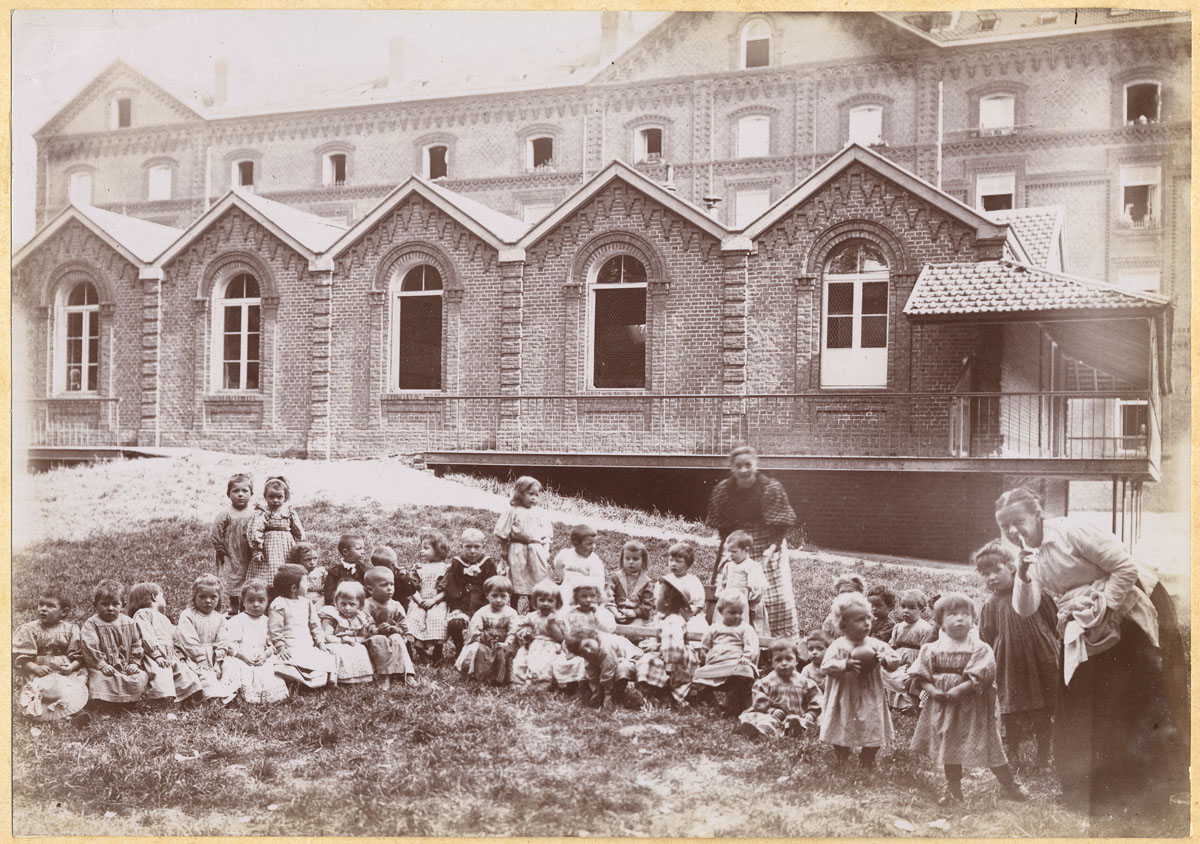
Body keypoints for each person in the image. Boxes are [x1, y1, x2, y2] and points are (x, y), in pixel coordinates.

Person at [995, 486, 1186, 816]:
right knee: (1082, 694)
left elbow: (1124, 568)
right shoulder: (1028, 557)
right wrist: (1024, 576)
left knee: (1140, 693)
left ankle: (1154, 787)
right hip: (1089, 621)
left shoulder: (1072, 531)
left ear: (1038, 515)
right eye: (1005, 526)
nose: (1013, 531)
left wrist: (1106, 609)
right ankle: (1094, 786)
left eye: (1018, 521)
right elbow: (1026, 609)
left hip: (1131, 604)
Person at [909, 592, 1028, 805]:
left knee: (989, 745)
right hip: (945, 706)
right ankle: (954, 789)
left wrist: (960, 689)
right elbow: (920, 674)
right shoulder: (932, 648)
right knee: (949, 746)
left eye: (966, 614)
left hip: (973, 707)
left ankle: (1009, 783)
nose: (960, 619)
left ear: (974, 618)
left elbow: (982, 673)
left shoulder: (979, 647)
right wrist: (933, 691)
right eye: (952, 614)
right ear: (939, 622)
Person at [973, 541, 1058, 769]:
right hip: (1010, 663)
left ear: (1012, 567)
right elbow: (986, 637)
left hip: (1040, 657)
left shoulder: (1033, 590)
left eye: (996, 570)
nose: (991, 577)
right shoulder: (991, 604)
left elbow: (1053, 621)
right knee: (1011, 707)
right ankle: (1013, 752)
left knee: (1043, 706)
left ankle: (1043, 756)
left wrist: (1050, 646)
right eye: (985, 574)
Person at [706, 445, 799, 640]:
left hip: (767, 543)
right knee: (732, 587)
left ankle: (778, 641)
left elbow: (781, 526)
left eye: (748, 465)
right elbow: (724, 529)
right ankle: (732, 635)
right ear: (732, 468)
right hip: (737, 542)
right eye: (738, 466)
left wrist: (772, 549)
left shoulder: (770, 488)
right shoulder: (723, 491)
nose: (744, 470)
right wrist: (728, 551)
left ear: (755, 465)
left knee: (773, 594)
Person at [818, 591, 900, 770]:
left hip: (870, 695)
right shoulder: (839, 645)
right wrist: (844, 665)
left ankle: (868, 757)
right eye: (859, 620)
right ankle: (841, 754)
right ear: (844, 625)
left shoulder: (875, 645)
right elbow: (826, 666)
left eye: (868, 619)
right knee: (842, 724)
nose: (866, 624)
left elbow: (896, 660)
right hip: (845, 695)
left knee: (873, 724)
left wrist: (884, 659)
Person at [13, 588, 89, 721]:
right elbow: (21, 658)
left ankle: (76, 712)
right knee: (37, 689)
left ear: (63, 612)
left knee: (74, 685)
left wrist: (71, 667)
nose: (43, 609)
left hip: (64, 671)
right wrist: (35, 667)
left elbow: (79, 655)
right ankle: (41, 711)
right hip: (40, 671)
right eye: (41, 604)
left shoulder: (71, 629)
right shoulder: (29, 629)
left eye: (50, 606)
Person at [72, 580, 149, 706]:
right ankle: (105, 704)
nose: (110, 608)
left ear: (122, 605)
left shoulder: (129, 623)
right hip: (102, 667)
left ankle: (130, 701)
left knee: (140, 677)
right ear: (95, 605)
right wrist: (101, 664)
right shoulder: (92, 624)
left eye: (115, 604)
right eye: (105, 604)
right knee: (100, 680)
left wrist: (134, 663)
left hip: (125, 666)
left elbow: (136, 644)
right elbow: (89, 646)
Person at [127, 582, 202, 703]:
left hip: (171, 654)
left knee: (185, 674)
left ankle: (190, 695)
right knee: (161, 674)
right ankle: (160, 700)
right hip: (155, 654)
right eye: (163, 596)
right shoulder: (143, 614)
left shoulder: (165, 618)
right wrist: (156, 655)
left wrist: (181, 656)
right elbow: (147, 636)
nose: (164, 600)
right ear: (155, 597)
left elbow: (175, 638)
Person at [216, 580, 290, 704]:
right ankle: (237, 693)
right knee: (234, 667)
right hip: (241, 655)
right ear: (243, 601)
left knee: (270, 670)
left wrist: (266, 654)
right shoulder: (238, 621)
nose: (256, 604)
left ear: (267, 601)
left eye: (261, 600)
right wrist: (240, 655)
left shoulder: (269, 621)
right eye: (250, 601)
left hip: (261, 656)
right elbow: (230, 642)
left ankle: (265, 695)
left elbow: (273, 643)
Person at [737, 640, 823, 739]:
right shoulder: (766, 682)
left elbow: (816, 699)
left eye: (789, 659)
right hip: (773, 715)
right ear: (771, 663)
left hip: (798, 716)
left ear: (796, 661)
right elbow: (759, 699)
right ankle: (761, 732)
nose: (784, 663)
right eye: (778, 660)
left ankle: (794, 729)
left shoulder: (805, 683)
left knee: (800, 721)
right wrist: (770, 710)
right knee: (762, 719)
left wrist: (811, 713)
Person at [268, 564, 335, 689]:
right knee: (285, 664)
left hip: (307, 646)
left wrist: (321, 643)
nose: (308, 585)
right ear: (294, 588)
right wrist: (281, 648)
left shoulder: (306, 603)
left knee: (326, 658)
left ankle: (314, 680)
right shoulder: (279, 604)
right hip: (290, 647)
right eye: (306, 582)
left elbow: (315, 626)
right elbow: (275, 630)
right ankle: (299, 679)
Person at [692, 589, 759, 715]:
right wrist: (704, 659)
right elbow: (705, 647)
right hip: (716, 664)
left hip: (735, 664)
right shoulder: (714, 628)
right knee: (697, 678)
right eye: (732, 613)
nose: (737, 616)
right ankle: (713, 704)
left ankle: (730, 702)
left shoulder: (744, 628)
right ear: (721, 611)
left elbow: (752, 645)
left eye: (740, 612)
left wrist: (747, 656)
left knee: (745, 673)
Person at [636, 574, 698, 707]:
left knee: (647, 663)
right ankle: (661, 693)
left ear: (667, 602)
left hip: (676, 663)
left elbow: (672, 648)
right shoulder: (667, 618)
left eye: (657, 597)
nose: (654, 600)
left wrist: (669, 667)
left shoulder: (672, 622)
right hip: (672, 658)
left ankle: (665, 694)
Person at [176, 574, 239, 703]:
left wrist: (218, 662)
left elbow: (223, 640)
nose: (208, 601)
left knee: (232, 666)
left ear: (219, 598)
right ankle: (211, 697)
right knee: (203, 674)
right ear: (194, 597)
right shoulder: (188, 615)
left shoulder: (220, 618)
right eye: (202, 597)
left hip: (215, 657)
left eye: (213, 597)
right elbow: (188, 640)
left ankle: (228, 694)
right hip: (194, 656)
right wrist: (201, 659)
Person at [494, 476, 553, 611]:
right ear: (520, 493)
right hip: (517, 549)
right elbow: (503, 532)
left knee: (536, 579)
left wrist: (546, 550)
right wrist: (504, 549)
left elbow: (546, 534)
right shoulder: (512, 511)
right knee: (517, 579)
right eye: (530, 494)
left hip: (536, 549)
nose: (534, 498)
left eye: (537, 495)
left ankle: (534, 610)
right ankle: (513, 609)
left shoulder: (539, 512)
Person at [551, 582, 617, 691]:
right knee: (566, 661)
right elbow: (570, 633)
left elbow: (609, 630)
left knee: (587, 661)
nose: (588, 600)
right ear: (576, 598)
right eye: (584, 596)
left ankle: (593, 688)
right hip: (577, 645)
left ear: (598, 597)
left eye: (592, 596)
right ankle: (572, 686)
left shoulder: (601, 613)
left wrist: (596, 618)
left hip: (597, 645)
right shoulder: (572, 614)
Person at [455, 575, 520, 685]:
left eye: (503, 596)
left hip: (504, 642)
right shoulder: (482, 612)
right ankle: (481, 676)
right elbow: (475, 630)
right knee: (479, 650)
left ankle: (503, 678)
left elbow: (513, 631)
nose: (498, 600)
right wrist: (486, 639)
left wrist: (507, 642)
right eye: (494, 596)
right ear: (487, 596)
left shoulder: (511, 613)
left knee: (508, 652)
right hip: (485, 641)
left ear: (509, 596)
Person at [444, 528, 499, 656]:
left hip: (483, 606)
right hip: (463, 607)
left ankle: (482, 651)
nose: (472, 551)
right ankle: (460, 650)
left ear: (483, 546)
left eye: (477, 547)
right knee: (455, 623)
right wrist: (456, 607)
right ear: (461, 546)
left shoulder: (488, 564)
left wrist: (489, 606)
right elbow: (452, 586)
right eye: (468, 547)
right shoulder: (457, 563)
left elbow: (492, 586)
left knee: (489, 627)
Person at [362, 566, 417, 690]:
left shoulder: (395, 605)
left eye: (392, 584)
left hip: (393, 636)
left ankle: (406, 673)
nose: (389, 589)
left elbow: (403, 624)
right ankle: (384, 675)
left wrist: (396, 629)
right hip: (374, 637)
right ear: (371, 590)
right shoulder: (367, 604)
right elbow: (364, 625)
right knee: (379, 640)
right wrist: (376, 629)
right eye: (384, 585)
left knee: (397, 638)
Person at [563, 627, 642, 710]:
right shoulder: (590, 651)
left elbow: (608, 672)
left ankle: (615, 697)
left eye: (588, 645)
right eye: (582, 651)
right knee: (584, 670)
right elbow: (591, 670)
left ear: (594, 637)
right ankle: (593, 694)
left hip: (632, 656)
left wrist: (608, 694)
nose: (588, 650)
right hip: (611, 660)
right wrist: (597, 689)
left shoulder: (605, 647)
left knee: (620, 670)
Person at [210, 472, 255, 615]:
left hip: (249, 552)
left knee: (248, 576)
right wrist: (220, 548)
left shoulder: (254, 513)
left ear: (251, 493)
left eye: (244, 491)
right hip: (231, 552)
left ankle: (245, 604)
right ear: (229, 494)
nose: (240, 494)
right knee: (232, 578)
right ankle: (234, 603)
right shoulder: (226, 513)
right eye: (236, 491)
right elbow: (215, 531)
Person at [883, 589, 935, 713]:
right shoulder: (898, 627)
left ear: (922, 610)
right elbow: (893, 645)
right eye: (903, 607)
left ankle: (908, 704)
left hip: (914, 661)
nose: (906, 611)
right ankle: (890, 701)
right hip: (898, 659)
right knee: (887, 674)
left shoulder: (925, 628)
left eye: (912, 608)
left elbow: (925, 649)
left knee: (907, 678)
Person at [248, 476, 305, 585]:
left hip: (286, 545)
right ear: (265, 496)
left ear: (285, 498)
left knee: (287, 565)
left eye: (279, 497)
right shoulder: (263, 512)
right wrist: (257, 549)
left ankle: (287, 585)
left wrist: (301, 541)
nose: (275, 500)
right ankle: (270, 587)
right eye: (271, 497)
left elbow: (297, 528)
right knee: (270, 566)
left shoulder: (289, 512)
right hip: (269, 546)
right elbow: (256, 530)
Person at [406, 529, 452, 664]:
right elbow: (411, 588)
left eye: (426, 548)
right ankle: (420, 652)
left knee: (437, 620)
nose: (421, 551)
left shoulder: (446, 569)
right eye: (421, 548)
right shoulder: (419, 568)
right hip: (419, 601)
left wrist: (433, 600)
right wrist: (419, 600)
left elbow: (447, 590)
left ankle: (438, 652)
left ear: (438, 550)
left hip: (437, 601)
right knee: (414, 620)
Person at [318, 581, 376, 686]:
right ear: (336, 602)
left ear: (360, 605)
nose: (347, 608)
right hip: (334, 642)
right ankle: (337, 678)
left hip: (351, 642)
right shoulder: (332, 615)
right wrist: (341, 640)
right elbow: (326, 636)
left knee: (360, 648)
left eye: (352, 604)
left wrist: (354, 640)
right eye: (343, 604)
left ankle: (360, 676)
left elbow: (363, 636)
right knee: (337, 650)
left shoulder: (360, 617)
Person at [714, 530, 769, 636]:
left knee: (742, 628)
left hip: (744, 603)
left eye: (734, 552)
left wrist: (751, 601)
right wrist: (722, 595)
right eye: (729, 551)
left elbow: (758, 588)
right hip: (728, 601)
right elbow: (723, 584)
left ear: (746, 550)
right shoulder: (729, 565)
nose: (731, 555)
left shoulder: (752, 566)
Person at [512, 579, 565, 689]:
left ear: (557, 603)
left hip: (550, 646)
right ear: (535, 602)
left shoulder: (557, 618)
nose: (546, 604)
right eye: (542, 600)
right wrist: (525, 633)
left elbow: (560, 637)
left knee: (542, 665)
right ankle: (519, 683)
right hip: (532, 644)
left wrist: (551, 625)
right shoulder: (532, 616)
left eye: (550, 601)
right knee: (520, 662)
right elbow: (519, 627)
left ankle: (539, 686)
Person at [553, 523, 606, 608]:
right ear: (576, 543)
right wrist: (564, 576)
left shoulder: (594, 561)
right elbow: (557, 564)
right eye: (589, 544)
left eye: (594, 543)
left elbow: (598, 582)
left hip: (584, 593)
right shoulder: (566, 554)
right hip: (568, 589)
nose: (593, 546)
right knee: (560, 605)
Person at [605, 539, 655, 625]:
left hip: (636, 616)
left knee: (634, 631)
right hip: (616, 612)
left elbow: (648, 603)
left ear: (643, 561)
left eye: (635, 559)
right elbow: (608, 597)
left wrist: (635, 612)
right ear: (622, 559)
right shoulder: (616, 578)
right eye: (627, 559)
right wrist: (615, 612)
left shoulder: (646, 582)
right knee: (606, 624)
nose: (631, 562)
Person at [663, 542, 707, 634]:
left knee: (694, 626)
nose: (673, 564)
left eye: (678, 561)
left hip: (689, 614)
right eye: (671, 560)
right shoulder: (665, 580)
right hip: (669, 614)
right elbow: (659, 601)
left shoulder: (693, 581)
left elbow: (698, 604)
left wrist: (689, 614)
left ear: (688, 564)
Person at [325, 533, 367, 606]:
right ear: (345, 552)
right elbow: (329, 593)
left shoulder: (363, 569)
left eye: (363, 548)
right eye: (359, 549)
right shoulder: (335, 572)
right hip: (340, 605)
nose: (363, 552)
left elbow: (368, 590)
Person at [287, 541, 325, 609]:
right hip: (301, 603)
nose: (312, 563)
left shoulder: (321, 573)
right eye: (308, 560)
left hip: (319, 602)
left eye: (315, 558)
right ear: (298, 560)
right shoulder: (296, 575)